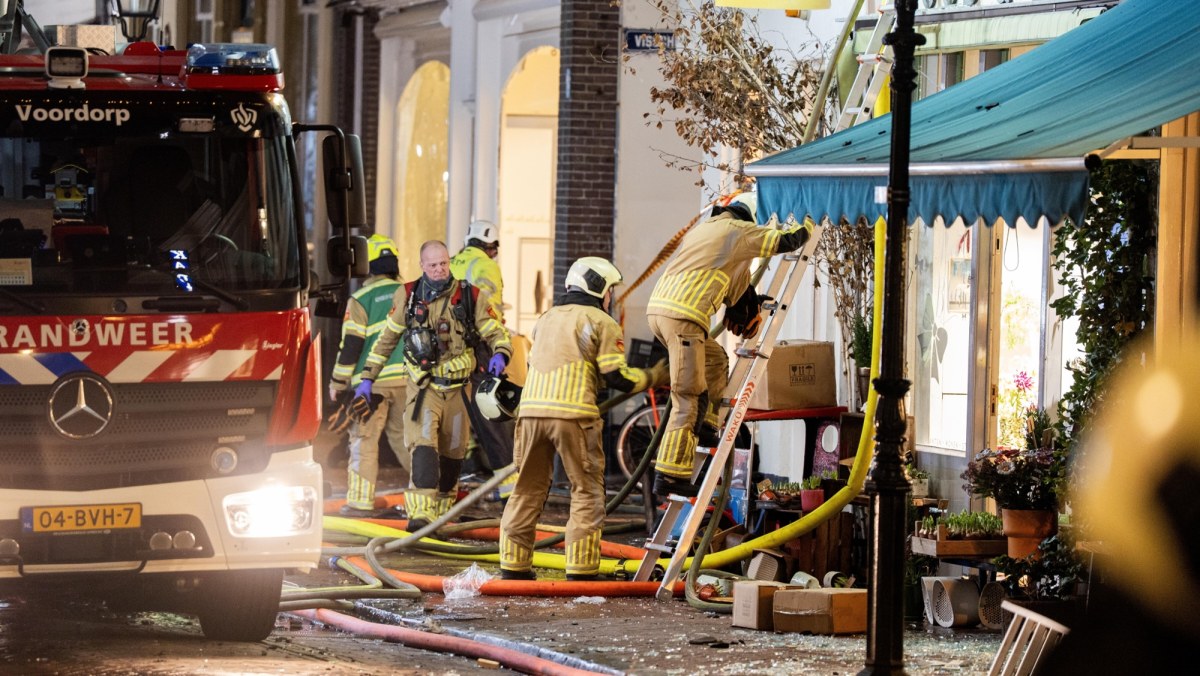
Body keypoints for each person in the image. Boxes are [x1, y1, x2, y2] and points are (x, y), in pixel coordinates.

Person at [498, 257, 667, 580]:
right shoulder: (601, 322)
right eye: (610, 291)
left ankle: (514, 565)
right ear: (599, 287)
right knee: (586, 489)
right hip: (573, 415)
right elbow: (616, 376)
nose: (610, 298)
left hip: (531, 414)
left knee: (526, 489)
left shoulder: (546, 318)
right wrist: (653, 376)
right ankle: (581, 568)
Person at [646, 191, 811, 497]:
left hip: (662, 312)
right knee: (688, 396)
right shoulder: (738, 231)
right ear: (751, 217)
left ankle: (708, 425)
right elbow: (786, 241)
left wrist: (751, 303)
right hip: (683, 318)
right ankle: (669, 473)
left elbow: (735, 290)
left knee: (715, 359)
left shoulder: (711, 231)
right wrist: (810, 221)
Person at [354, 240, 512, 531]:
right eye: (433, 265)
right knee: (424, 447)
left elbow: (494, 330)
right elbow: (388, 339)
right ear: (422, 265)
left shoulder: (470, 295)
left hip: (458, 389)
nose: (439, 270)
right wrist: (367, 378)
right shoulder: (409, 294)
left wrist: (501, 353)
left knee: (453, 453)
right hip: (424, 387)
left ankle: (442, 513)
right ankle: (421, 516)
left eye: (443, 264)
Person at [327, 234, 408, 517]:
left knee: (364, 440)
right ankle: (431, 500)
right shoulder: (408, 292)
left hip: (369, 385)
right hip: (407, 381)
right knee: (408, 441)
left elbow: (350, 346)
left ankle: (360, 503)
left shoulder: (360, 299)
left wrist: (337, 383)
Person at [450, 220, 517, 499]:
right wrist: (499, 347)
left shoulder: (451, 262)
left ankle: (464, 468)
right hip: (479, 347)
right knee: (491, 413)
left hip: (450, 349)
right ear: (491, 247)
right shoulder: (487, 266)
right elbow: (490, 311)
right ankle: (508, 488)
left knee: (454, 411)